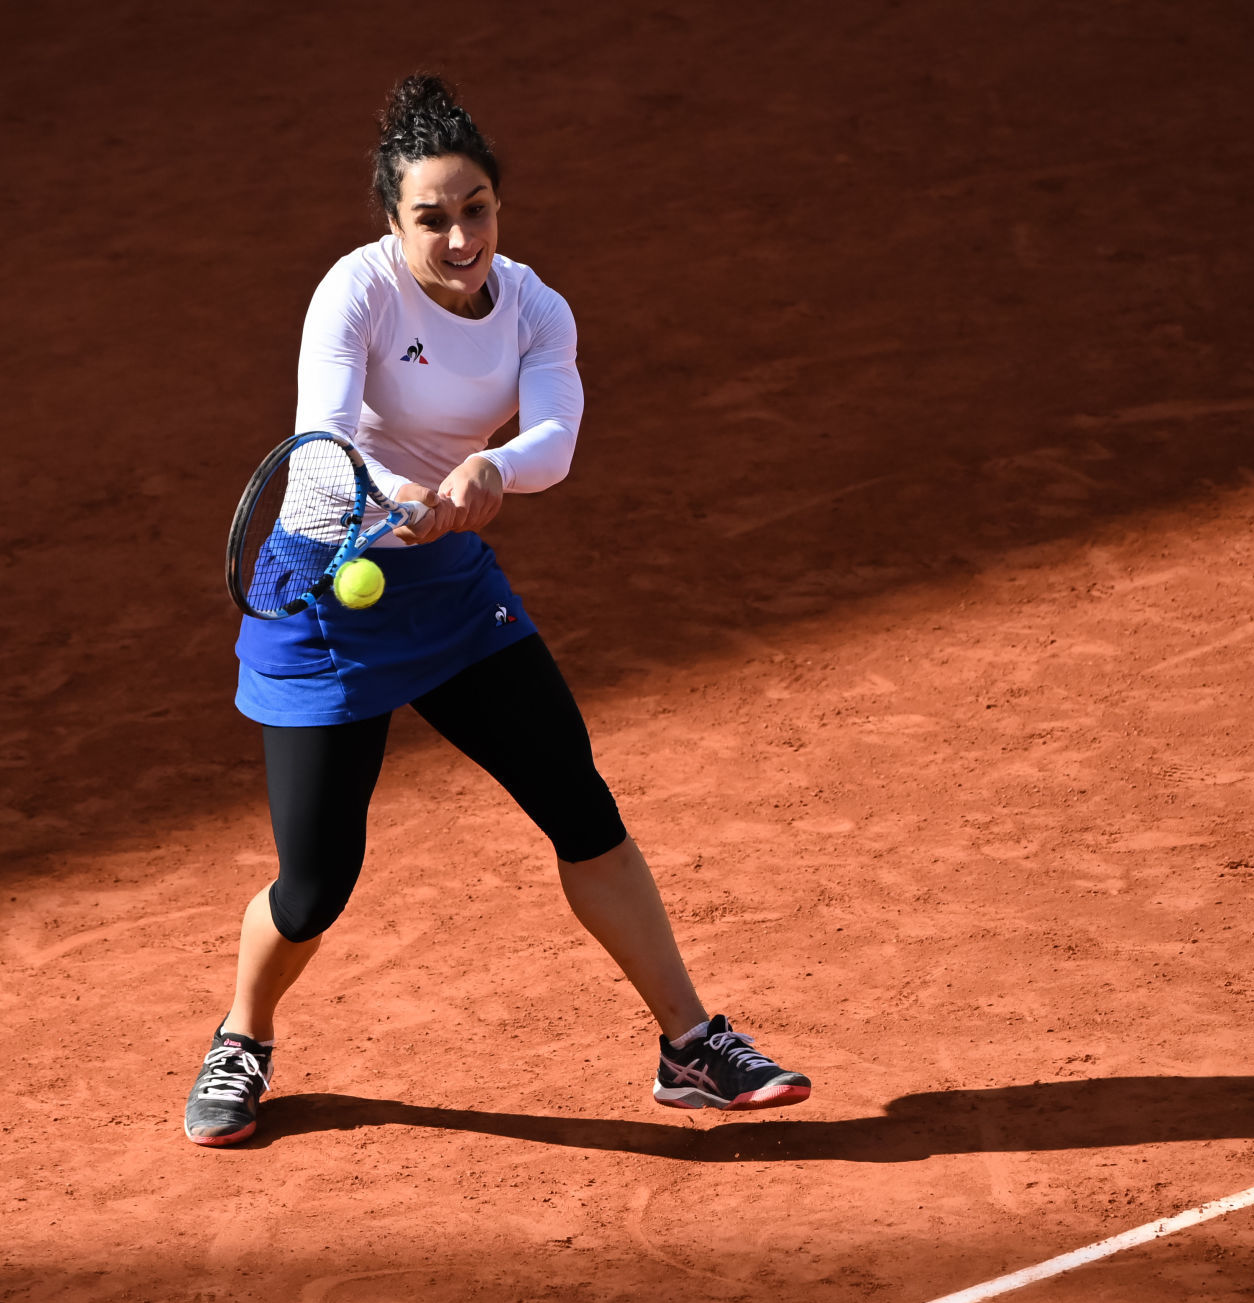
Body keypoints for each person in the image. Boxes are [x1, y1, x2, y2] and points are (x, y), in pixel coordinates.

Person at [185, 75, 810, 1147]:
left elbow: (553, 440)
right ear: (392, 223)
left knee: (577, 800)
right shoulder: (355, 295)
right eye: (430, 217)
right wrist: (411, 503)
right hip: (328, 599)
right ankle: (242, 1035)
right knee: (315, 884)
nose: (458, 234)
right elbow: (322, 463)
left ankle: (687, 1043)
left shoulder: (533, 304)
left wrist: (493, 470)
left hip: (449, 591)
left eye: (475, 208)